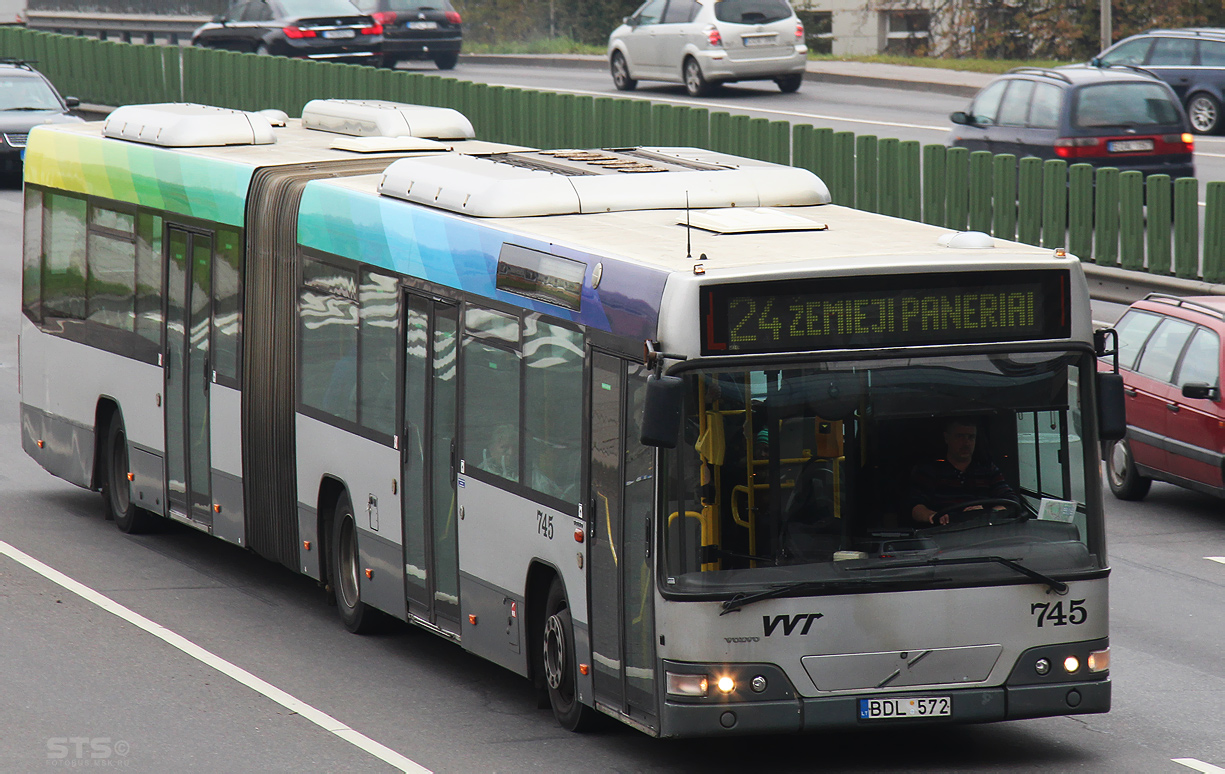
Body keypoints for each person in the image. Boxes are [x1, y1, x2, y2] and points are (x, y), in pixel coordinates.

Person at [908, 418, 1018, 526]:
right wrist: (933, 516)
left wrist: (988, 512)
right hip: (943, 533)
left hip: (984, 532)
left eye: (971, 437)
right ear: (947, 438)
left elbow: (1011, 501)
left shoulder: (988, 469)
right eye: (960, 436)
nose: (966, 443)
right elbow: (916, 507)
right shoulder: (929, 471)